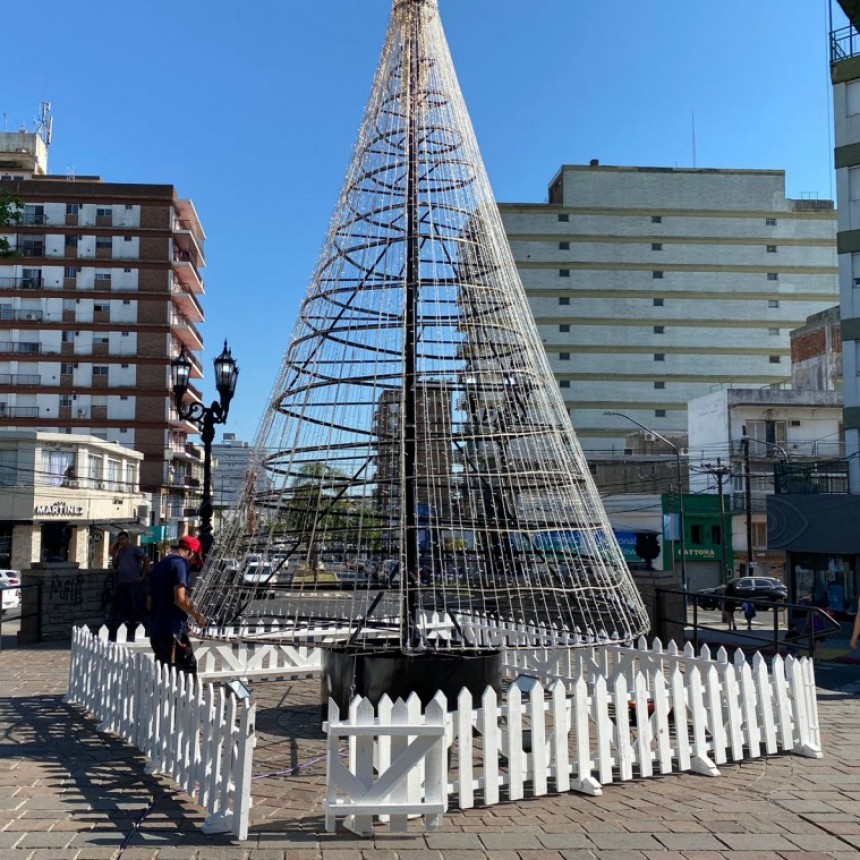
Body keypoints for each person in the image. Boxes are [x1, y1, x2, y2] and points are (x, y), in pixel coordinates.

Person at [148, 536, 207, 675]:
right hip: (173, 631)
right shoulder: (180, 563)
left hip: (156, 630)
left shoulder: (160, 565)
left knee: (166, 673)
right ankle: (188, 697)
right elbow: (180, 599)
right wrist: (196, 615)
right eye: (194, 558)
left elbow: (149, 603)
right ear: (190, 552)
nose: (192, 563)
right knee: (187, 669)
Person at [110, 530, 150, 636]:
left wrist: (142, 576)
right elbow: (115, 566)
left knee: (135, 606)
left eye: (123, 539)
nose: (121, 541)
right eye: (119, 539)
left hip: (133, 582)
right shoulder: (120, 551)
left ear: (127, 539)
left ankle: (138, 628)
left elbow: (145, 560)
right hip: (123, 582)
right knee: (124, 607)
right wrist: (114, 554)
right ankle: (126, 629)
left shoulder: (135, 549)